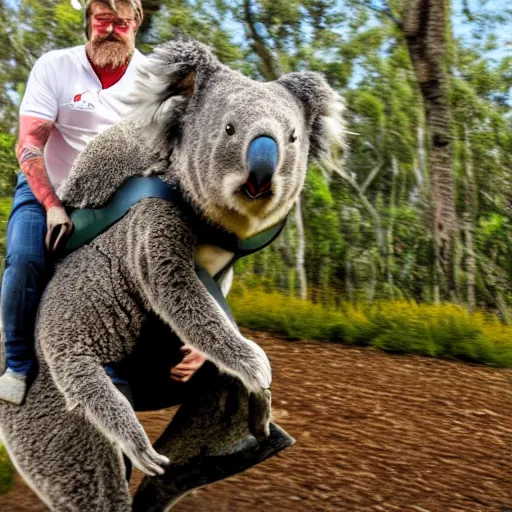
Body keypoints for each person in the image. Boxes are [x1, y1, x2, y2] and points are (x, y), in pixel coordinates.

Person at [0, 0, 205, 405]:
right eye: (103, 20)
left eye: (122, 22)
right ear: (88, 23)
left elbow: (175, 160)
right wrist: (52, 205)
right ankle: (18, 365)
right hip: (48, 190)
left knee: (144, 268)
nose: (112, 29)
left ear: (137, 23)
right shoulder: (54, 66)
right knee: (24, 259)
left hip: (115, 202)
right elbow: (29, 143)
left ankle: (113, 370)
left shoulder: (156, 82)